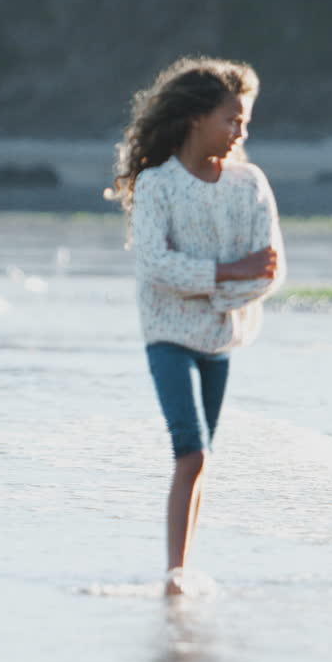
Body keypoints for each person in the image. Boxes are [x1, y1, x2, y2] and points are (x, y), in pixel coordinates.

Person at [106, 56, 285, 595]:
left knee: (200, 460)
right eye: (232, 119)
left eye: (245, 122)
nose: (240, 131)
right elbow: (156, 268)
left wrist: (211, 286)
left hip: (221, 339)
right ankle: (175, 572)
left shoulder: (250, 184)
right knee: (192, 450)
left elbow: (270, 270)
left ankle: (181, 568)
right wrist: (230, 272)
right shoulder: (157, 186)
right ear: (195, 119)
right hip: (167, 338)